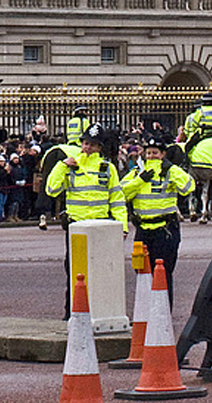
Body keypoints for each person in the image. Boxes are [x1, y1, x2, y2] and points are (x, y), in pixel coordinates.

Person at [44, 122, 127, 320]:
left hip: (100, 227)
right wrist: (61, 167)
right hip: (77, 227)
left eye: (92, 144)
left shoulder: (108, 168)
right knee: (73, 271)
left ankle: (98, 311)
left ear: (99, 147)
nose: (87, 147)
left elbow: (116, 199)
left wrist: (122, 225)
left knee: (100, 272)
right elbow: (52, 189)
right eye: (85, 143)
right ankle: (71, 312)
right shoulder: (70, 164)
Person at [121, 135, 195, 305]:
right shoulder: (136, 173)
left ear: (163, 155)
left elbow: (188, 187)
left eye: (155, 153)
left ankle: (163, 311)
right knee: (141, 270)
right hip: (143, 231)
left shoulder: (170, 172)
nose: (151, 156)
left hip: (165, 230)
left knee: (163, 272)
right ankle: (145, 311)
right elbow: (121, 194)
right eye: (148, 153)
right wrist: (140, 181)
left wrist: (172, 170)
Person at [36, 106, 91, 231]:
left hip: (67, 145)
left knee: (47, 180)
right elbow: (87, 137)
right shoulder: (84, 121)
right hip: (77, 148)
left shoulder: (71, 121)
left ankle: (43, 213)